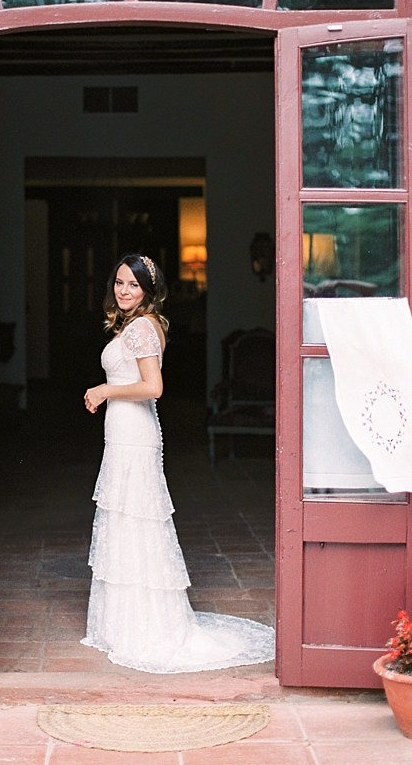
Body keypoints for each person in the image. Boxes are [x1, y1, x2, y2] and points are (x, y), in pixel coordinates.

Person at [81, 253, 275, 673]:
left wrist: (103, 391)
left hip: (135, 434)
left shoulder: (143, 329)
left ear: (149, 290)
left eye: (133, 285)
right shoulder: (131, 327)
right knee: (125, 518)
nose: (124, 291)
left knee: (137, 518)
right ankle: (124, 621)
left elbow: (154, 387)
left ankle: (149, 625)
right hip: (123, 433)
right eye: (118, 283)